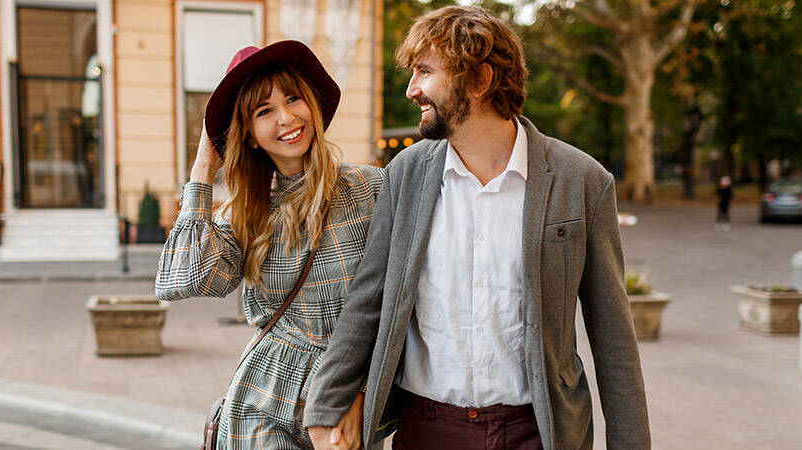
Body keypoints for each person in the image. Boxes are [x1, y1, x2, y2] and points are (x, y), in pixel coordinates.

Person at [304, 6, 650, 450]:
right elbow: (367, 301)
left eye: (425, 71)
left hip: (539, 432)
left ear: (480, 80)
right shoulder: (404, 175)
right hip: (427, 428)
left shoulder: (582, 181)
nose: (412, 89)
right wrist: (326, 402)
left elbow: (613, 337)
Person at [155, 40, 382, 449]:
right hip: (262, 406)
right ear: (251, 136)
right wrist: (204, 166)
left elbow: (394, 301)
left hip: (342, 398)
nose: (286, 117)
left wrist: (361, 389)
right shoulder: (242, 213)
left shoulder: (369, 188)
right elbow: (184, 280)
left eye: (293, 99)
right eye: (264, 111)